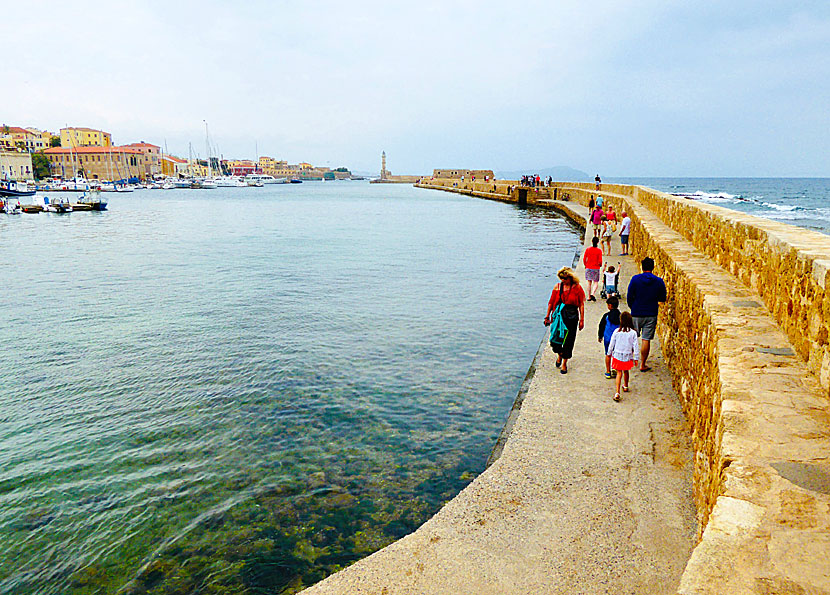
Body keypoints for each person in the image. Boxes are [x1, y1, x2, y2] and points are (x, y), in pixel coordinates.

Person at [627, 257, 667, 372]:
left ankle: (629, 360)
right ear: (653, 267)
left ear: (642, 267)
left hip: (636, 312)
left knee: (632, 337)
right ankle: (643, 364)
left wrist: (633, 307)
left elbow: (630, 297)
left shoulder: (635, 279)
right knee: (646, 339)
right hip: (651, 312)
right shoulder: (659, 281)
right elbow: (662, 298)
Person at [545, 267, 585, 374]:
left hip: (572, 316)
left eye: (565, 278)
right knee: (555, 339)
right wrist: (547, 316)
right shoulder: (557, 287)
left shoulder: (577, 288)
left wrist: (582, 319)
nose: (563, 280)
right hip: (559, 315)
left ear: (571, 278)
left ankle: (564, 363)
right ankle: (560, 354)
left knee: (569, 340)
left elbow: (581, 304)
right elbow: (551, 302)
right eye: (561, 278)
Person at [608, 311, 638, 401]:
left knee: (619, 373)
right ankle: (625, 385)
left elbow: (612, 343)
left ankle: (617, 392)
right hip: (628, 355)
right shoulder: (633, 333)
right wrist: (636, 358)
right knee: (626, 371)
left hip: (617, 355)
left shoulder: (617, 331)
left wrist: (609, 353)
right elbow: (635, 346)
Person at [598, 295, 621, 379]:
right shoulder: (621, 316)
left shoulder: (606, 316)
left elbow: (601, 326)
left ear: (610, 306)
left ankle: (608, 371)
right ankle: (615, 369)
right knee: (616, 354)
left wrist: (600, 336)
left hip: (608, 338)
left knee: (608, 354)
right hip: (618, 339)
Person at [583, 237, 603, 301]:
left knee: (589, 282)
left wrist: (585, 265)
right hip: (596, 267)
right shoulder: (599, 251)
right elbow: (600, 260)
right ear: (597, 242)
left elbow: (584, 258)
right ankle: (593, 294)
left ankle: (588, 296)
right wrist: (600, 265)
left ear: (592, 242)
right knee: (596, 282)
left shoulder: (588, 249)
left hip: (588, 267)